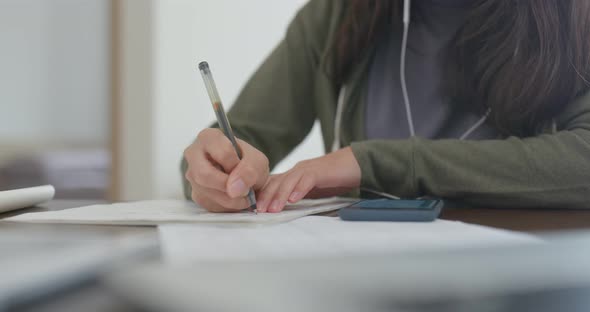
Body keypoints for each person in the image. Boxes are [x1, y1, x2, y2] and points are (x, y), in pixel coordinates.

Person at [182, 0, 590, 213]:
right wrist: (213, 172)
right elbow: (238, 142)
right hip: (366, 282)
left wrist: (374, 162)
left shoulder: (574, 20)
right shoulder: (338, 16)